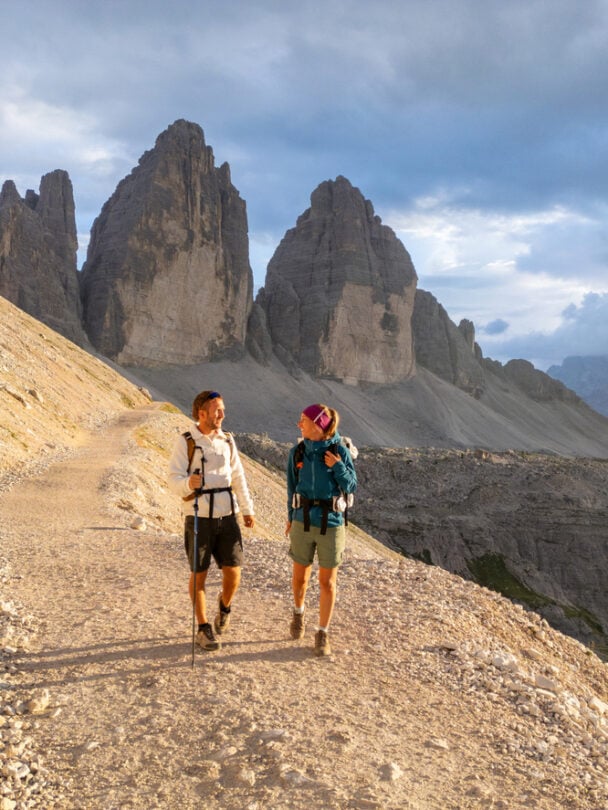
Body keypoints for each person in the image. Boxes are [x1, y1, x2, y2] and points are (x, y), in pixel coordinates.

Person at [169, 390, 255, 651]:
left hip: (227, 515)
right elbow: (172, 479)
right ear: (201, 413)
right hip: (198, 517)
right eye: (217, 410)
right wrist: (187, 483)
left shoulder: (227, 440)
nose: (222, 415)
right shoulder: (186, 441)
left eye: (223, 410)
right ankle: (204, 628)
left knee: (234, 572)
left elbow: (238, 476)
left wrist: (247, 510)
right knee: (199, 573)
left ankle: (224, 605)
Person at [285, 403, 357, 657]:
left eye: (303, 419)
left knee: (327, 582)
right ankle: (298, 613)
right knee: (300, 578)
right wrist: (289, 518)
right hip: (302, 520)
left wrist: (338, 466)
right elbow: (291, 487)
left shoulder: (340, 451)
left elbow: (351, 485)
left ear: (318, 425)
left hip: (332, 523)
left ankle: (322, 632)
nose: (299, 424)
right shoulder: (297, 452)